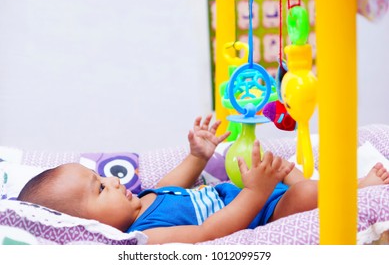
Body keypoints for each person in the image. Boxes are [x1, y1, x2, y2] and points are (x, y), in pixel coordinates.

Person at [17, 114, 389, 244]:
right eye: (99, 189)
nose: (112, 181)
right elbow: (206, 234)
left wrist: (198, 155)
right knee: (306, 193)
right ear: (90, 227)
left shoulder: (144, 197)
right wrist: (258, 194)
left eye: (102, 177)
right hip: (261, 212)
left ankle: (290, 178)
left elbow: (178, 180)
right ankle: (360, 189)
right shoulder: (144, 235)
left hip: (251, 193)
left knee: (275, 163)